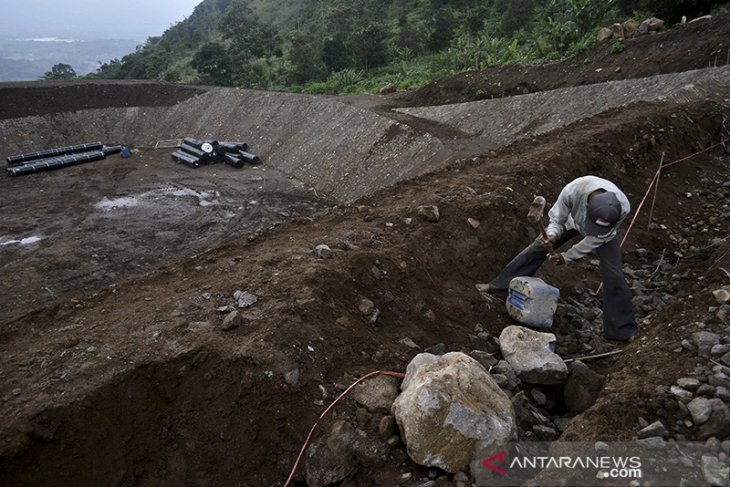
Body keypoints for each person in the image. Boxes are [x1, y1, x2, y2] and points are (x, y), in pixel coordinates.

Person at [482, 175, 637, 341]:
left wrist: (566, 257)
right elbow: (557, 219)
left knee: (614, 274)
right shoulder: (573, 191)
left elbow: (596, 238)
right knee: (537, 248)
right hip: (571, 221)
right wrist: (551, 235)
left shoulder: (623, 208)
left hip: (604, 235)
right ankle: (500, 285)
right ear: (586, 206)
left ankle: (622, 330)